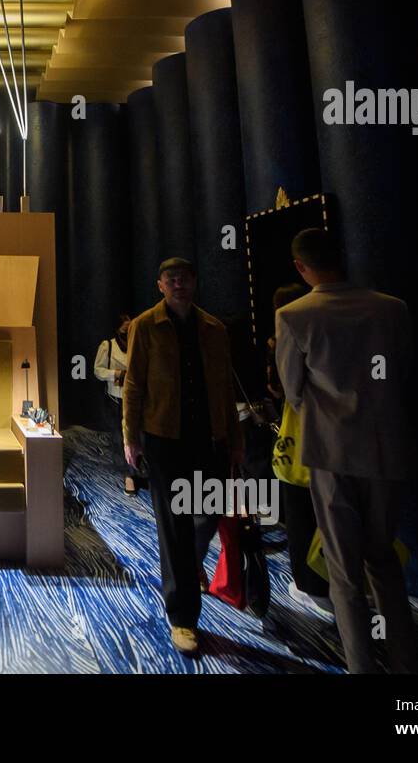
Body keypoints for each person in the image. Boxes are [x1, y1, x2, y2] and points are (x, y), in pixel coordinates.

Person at [275, 228, 418, 673]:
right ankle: (406, 662)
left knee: (344, 573)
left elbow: (293, 391)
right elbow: (405, 376)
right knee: (384, 561)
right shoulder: (392, 309)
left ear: (301, 267)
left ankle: (361, 665)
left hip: (331, 455)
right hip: (386, 451)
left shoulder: (295, 315)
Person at [121, 257, 244, 656]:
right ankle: (183, 618)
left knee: (206, 515)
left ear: (195, 282)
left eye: (186, 278)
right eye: (171, 279)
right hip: (164, 439)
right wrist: (130, 436)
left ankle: (187, 567)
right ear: (160, 285)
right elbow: (134, 385)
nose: (179, 285)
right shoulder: (145, 326)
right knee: (172, 526)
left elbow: (225, 388)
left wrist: (235, 438)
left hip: (209, 439)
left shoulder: (214, 329)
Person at [267, 282, 333, 616]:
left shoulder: (288, 329)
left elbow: (286, 389)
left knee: (301, 517)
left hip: (301, 441)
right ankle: (340, 581)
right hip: (344, 445)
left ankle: (311, 585)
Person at [94, 313, 140, 493]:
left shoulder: (137, 344)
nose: (127, 333)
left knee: (136, 436)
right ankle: (128, 474)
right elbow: (98, 371)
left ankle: (137, 470)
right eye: (124, 330)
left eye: (130, 329)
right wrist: (116, 374)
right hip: (116, 399)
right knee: (119, 437)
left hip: (136, 399)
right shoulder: (108, 346)